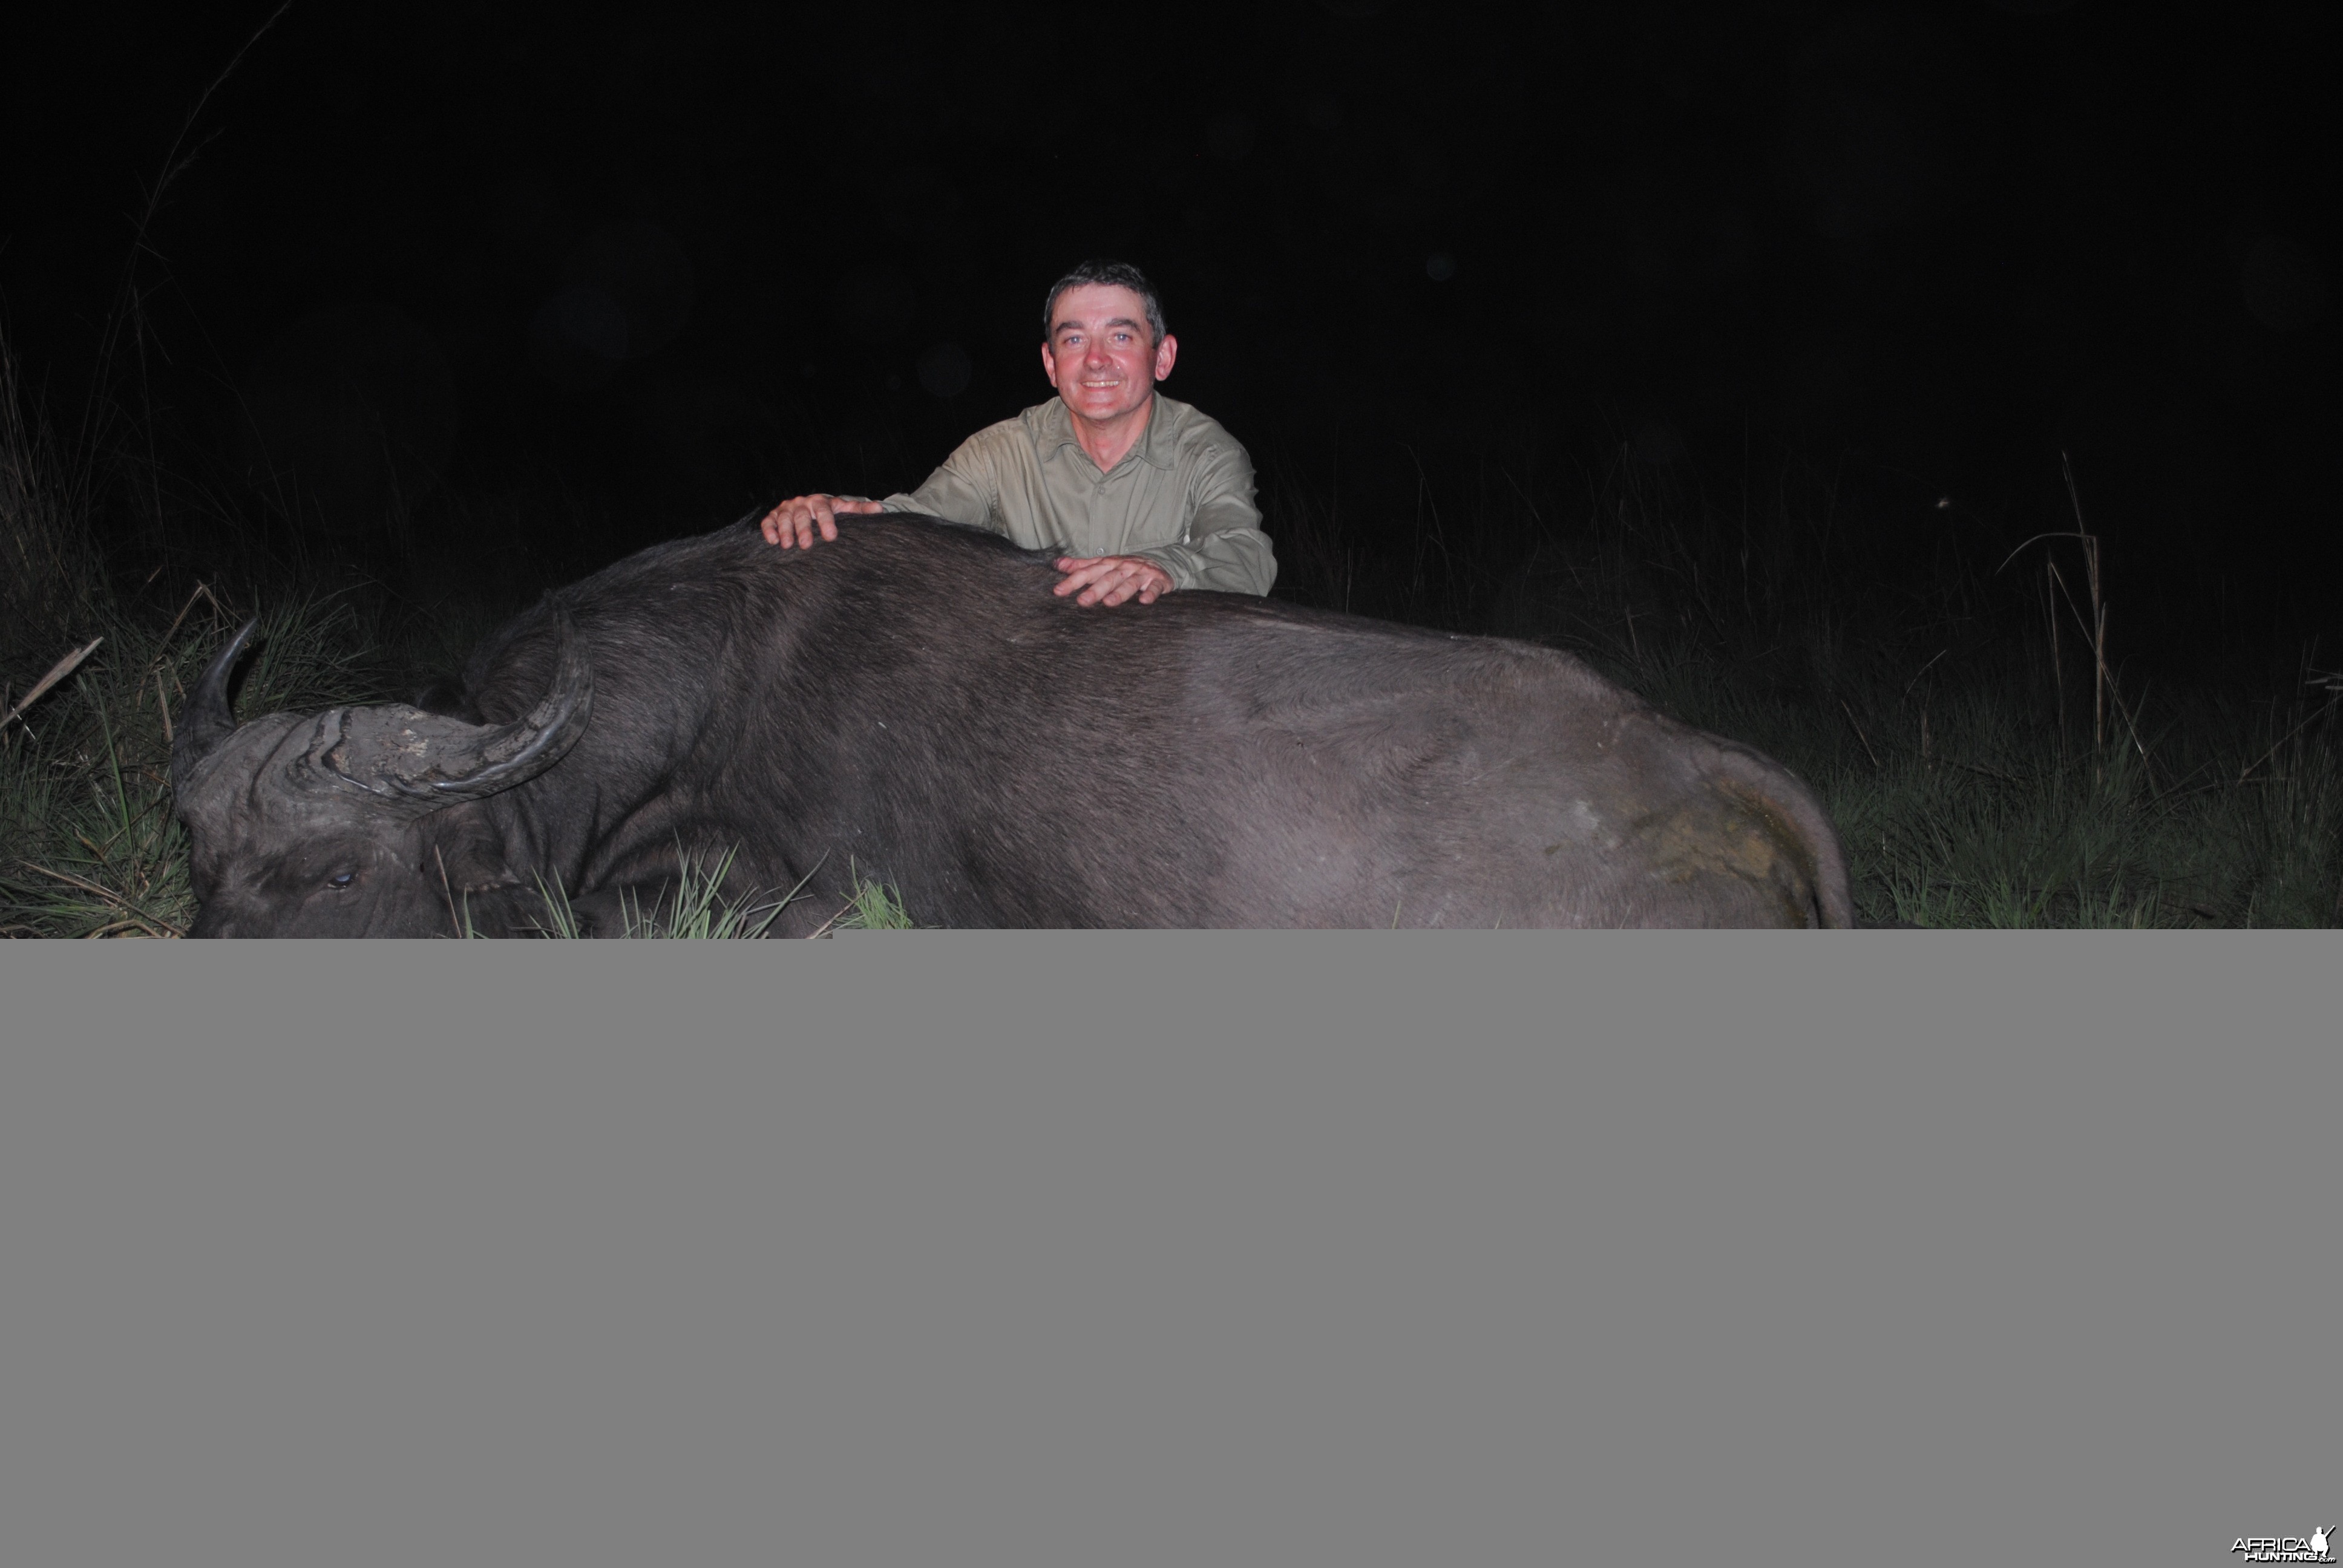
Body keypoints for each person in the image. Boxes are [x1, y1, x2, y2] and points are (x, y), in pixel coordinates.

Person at [758, 260, 1276, 607]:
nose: (1095, 360)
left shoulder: (1208, 451)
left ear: (1162, 357)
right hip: (1031, 697)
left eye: (1120, 335)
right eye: (1074, 339)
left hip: (1163, 689)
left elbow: (1246, 557)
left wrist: (1164, 567)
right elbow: (916, 520)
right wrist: (834, 511)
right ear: (1051, 364)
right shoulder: (1000, 450)